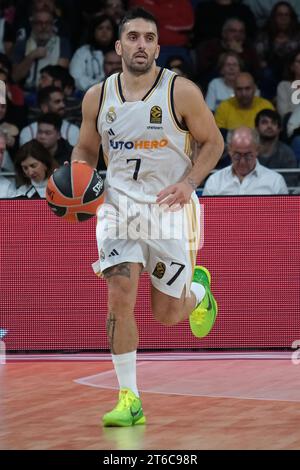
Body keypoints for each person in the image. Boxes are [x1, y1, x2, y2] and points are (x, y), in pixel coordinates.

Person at [71, 8, 224, 427]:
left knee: (167, 315)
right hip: (118, 208)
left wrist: (190, 183)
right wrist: (78, 181)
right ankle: (130, 399)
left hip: (169, 207)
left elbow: (213, 142)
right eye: (133, 37)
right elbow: (85, 149)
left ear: (158, 46)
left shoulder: (181, 91)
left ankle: (196, 292)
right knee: (119, 291)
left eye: (150, 38)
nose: (142, 44)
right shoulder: (97, 96)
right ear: (119, 46)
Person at [202, 127, 288, 196]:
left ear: (257, 150)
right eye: (237, 155)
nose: (242, 162)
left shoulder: (275, 182)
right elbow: (204, 216)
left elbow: (285, 216)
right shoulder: (214, 181)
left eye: (248, 155)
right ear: (229, 150)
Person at [255, 109, 298, 187]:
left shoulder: (287, 154)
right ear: (257, 128)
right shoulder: (248, 152)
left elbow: (290, 185)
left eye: (274, 123)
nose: (269, 126)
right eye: (265, 122)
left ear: (279, 129)